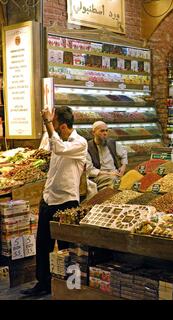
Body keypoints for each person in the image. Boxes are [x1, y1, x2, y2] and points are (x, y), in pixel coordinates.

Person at [22, 106, 88, 296]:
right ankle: (43, 284)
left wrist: (47, 122)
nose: (54, 128)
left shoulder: (80, 143)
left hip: (67, 202)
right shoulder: (56, 138)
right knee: (43, 245)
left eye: (56, 123)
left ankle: (70, 287)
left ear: (63, 126)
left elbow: (59, 148)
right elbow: (53, 146)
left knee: (68, 248)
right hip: (49, 199)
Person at [86, 121, 128, 192]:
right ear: (93, 133)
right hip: (99, 177)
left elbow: (124, 153)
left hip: (115, 174)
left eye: (106, 131)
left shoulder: (112, 143)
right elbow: (89, 170)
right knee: (113, 180)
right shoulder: (87, 147)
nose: (105, 133)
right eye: (102, 131)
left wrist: (123, 166)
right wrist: (109, 173)